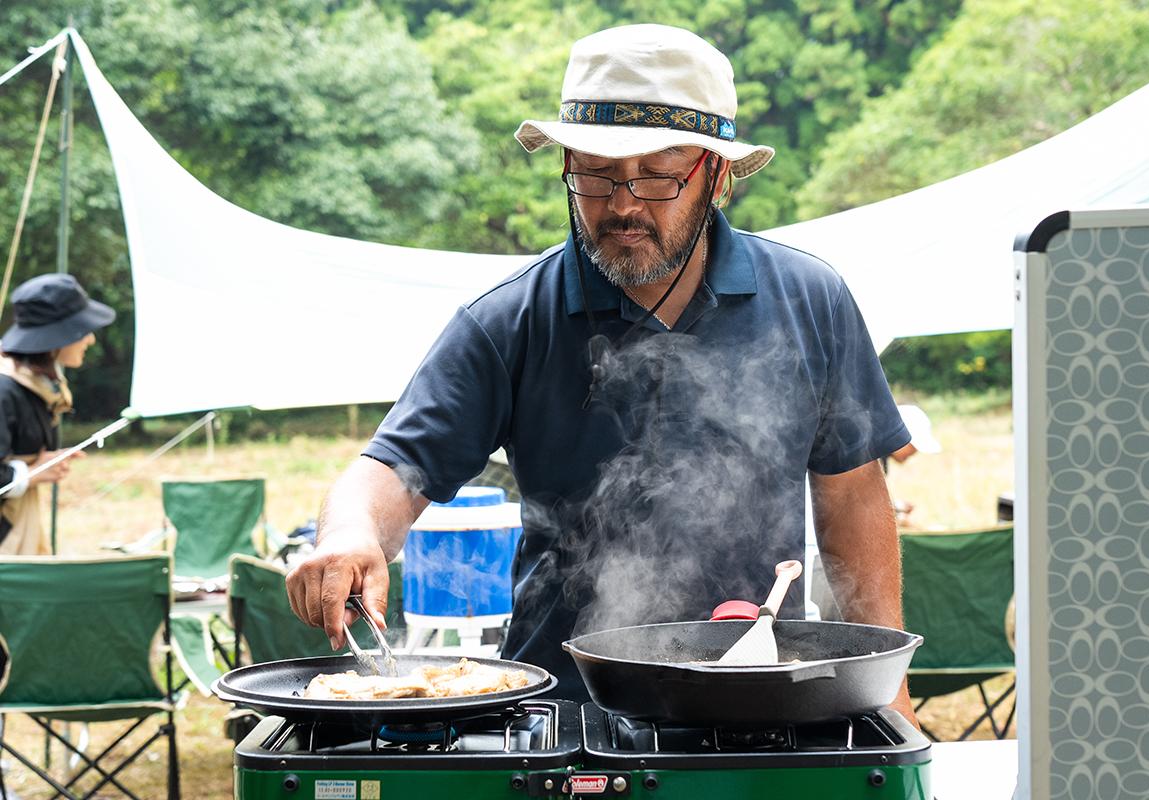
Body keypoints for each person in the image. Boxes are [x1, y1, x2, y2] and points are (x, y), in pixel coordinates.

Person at [287, 24, 916, 723]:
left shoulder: (810, 301)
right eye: (594, 172)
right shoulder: (510, 321)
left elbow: (854, 496)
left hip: (758, 697)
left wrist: (886, 694)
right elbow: (392, 469)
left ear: (717, 172)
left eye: (656, 173)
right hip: (558, 712)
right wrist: (348, 531)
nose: (621, 204)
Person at [0, 273, 115, 555]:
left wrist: (41, 464)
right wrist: (30, 472)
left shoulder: (33, 385)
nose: (89, 339)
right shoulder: (4, 390)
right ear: (57, 339)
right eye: (82, 331)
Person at [882, 404, 942, 525]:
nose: (915, 452)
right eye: (914, 445)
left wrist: (897, 507)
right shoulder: (869, 461)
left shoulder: (881, 459)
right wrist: (898, 520)